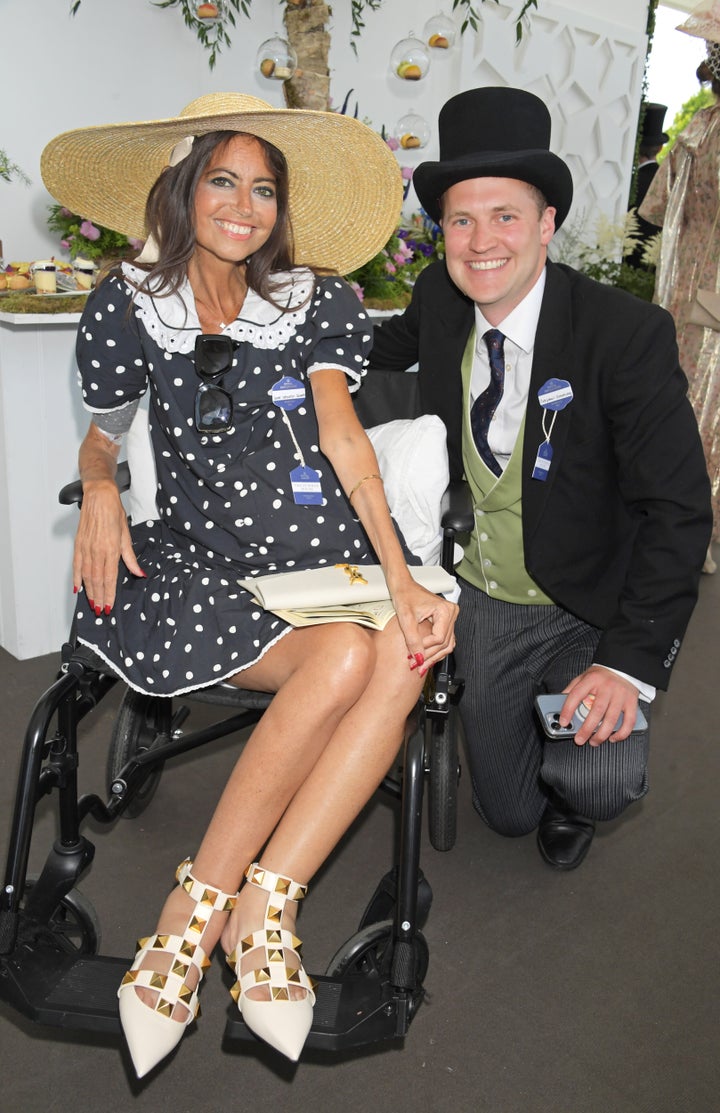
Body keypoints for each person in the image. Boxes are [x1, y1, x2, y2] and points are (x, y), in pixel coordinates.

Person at [40, 92, 458, 1077]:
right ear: (182, 188)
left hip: (321, 558)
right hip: (198, 568)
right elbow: (103, 437)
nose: (245, 204)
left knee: (400, 640)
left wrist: (402, 576)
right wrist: (100, 487)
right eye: (223, 179)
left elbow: (347, 440)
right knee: (351, 656)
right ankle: (214, 917)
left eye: (264, 186)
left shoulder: (312, 298)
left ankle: (241, 909)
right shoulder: (127, 301)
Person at [369, 86, 711, 874]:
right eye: (460, 218)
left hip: (587, 603)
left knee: (598, 777)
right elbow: (372, 359)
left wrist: (624, 663)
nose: (481, 241)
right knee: (508, 811)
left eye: (506, 216)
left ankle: (575, 779)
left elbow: (679, 511)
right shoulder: (439, 298)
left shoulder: (624, 335)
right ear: (441, 232)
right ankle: (520, 737)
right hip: (485, 599)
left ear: (548, 223)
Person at [640, 0, 720, 574]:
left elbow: (656, 206)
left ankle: (665, 517)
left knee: (675, 400)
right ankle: (699, 529)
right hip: (713, 297)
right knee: (709, 408)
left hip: (680, 288)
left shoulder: (697, 126)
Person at [627, 101, 668, 266]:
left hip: (625, 266)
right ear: (660, 148)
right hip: (653, 270)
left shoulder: (630, 185)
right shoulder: (668, 185)